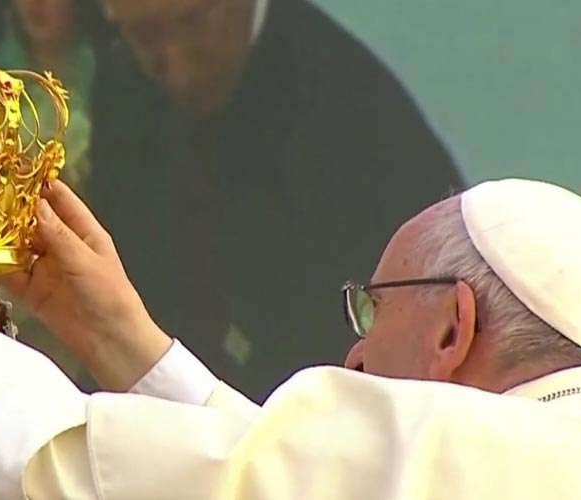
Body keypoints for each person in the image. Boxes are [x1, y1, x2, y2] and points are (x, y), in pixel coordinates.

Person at [0, 151, 581, 499]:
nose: (355, 349)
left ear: (451, 330)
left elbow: (64, 470)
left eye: (376, 305)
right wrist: (130, 347)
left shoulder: (465, 447)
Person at [86, 0, 464, 398]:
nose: (176, 65)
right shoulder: (120, 79)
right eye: (143, 36)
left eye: (193, 22)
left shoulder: (358, 122)